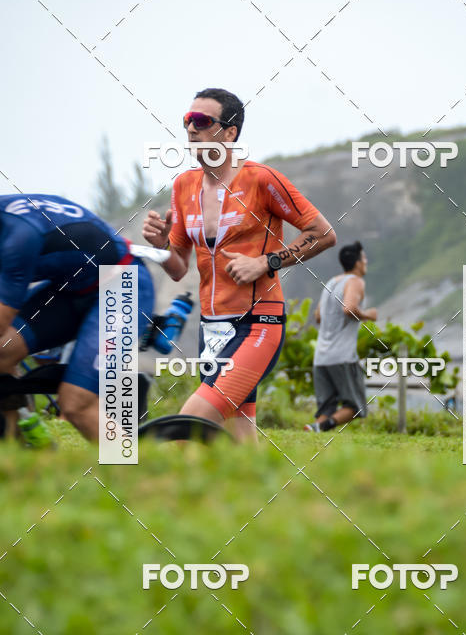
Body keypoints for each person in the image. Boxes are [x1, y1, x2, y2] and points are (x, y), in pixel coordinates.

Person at [142, 86, 336, 442]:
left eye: (202, 121)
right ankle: (263, 497)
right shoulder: (184, 185)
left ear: (230, 132)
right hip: (211, 326)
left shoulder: (261, 179)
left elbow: (322, 233)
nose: (191, 128)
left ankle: (148, 492)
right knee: (240, 432)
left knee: (189, 424)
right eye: (187, 120)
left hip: (257, 323)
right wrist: (160, 245)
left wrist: (267, 261)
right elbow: (178, 267)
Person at [0, 193, 154, 439]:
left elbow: (2, 319)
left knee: (76, 404)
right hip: (71, 289)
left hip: (122, 285)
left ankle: (138, 471)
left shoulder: (18, 235)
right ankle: (23, 453)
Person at [304, 241, 377, 433]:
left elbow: (318, 316)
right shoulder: (355, 281)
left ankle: (314, 431)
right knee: (356, 407)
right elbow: (349, 309)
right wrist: (368, 314)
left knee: (326, 408)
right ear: (358, 263)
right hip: (342, 357)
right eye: (364, 258)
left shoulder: (330, 283)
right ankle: (322, 426)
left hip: (321, 357)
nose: (366, 261)